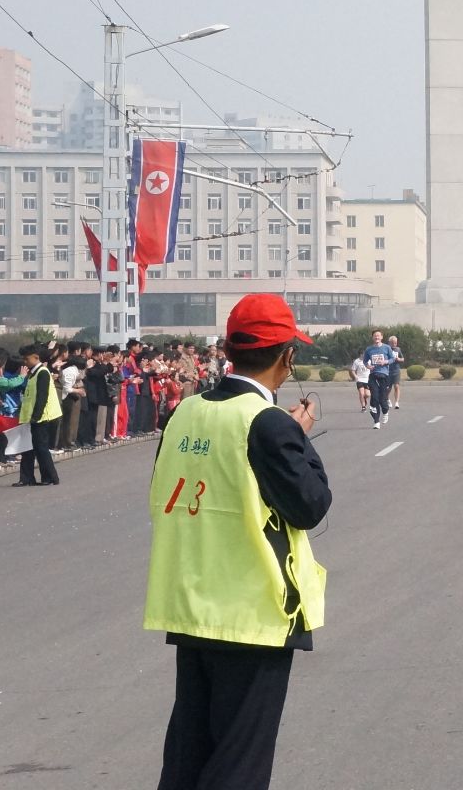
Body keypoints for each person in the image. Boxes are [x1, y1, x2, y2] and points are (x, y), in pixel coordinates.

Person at [145, 293, 330, 790]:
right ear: (287, 356)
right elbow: (310, 504)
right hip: (252, 612)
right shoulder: (266, 423)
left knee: (189, 750)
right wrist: (299, 436)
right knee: (239, 760)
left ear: (229, 348)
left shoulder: (185, 412)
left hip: (192, 604)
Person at [14, 344, 62, 487]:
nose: (25, 362)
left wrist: (36, 416)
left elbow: (42, 397)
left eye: (27, 358)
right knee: (28, 448)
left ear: (36, 357)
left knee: (41, 448)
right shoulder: (33, 373)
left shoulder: (42, 372)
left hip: (41, 417)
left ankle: (50, 477)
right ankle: (27, 478)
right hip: (31, 417)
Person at [361, 330, 395, 429]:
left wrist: (386, 361)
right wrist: (368, 366)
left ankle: (385, 411)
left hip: (384, 375)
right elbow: (364, 361)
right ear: (372, 338)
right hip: (373, 375)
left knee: (382, 399)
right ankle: (376, 421)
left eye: (378, 336)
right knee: (374, 397)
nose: (376, 337)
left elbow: (392, 359)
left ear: (382, 337)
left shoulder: (387, 347)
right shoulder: (369, 349)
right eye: (375, 336)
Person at [387, 335, 405, 411]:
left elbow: (403, 359)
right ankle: (387, 399)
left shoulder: (398, 349)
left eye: (395, 343)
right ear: (389, 343)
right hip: (388, 371)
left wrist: (398, 359)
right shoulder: (386, 349)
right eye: (393, 343)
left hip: (396, 370)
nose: (394, 344)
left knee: (396, 386)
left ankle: (397, 402)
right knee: (388, 388)